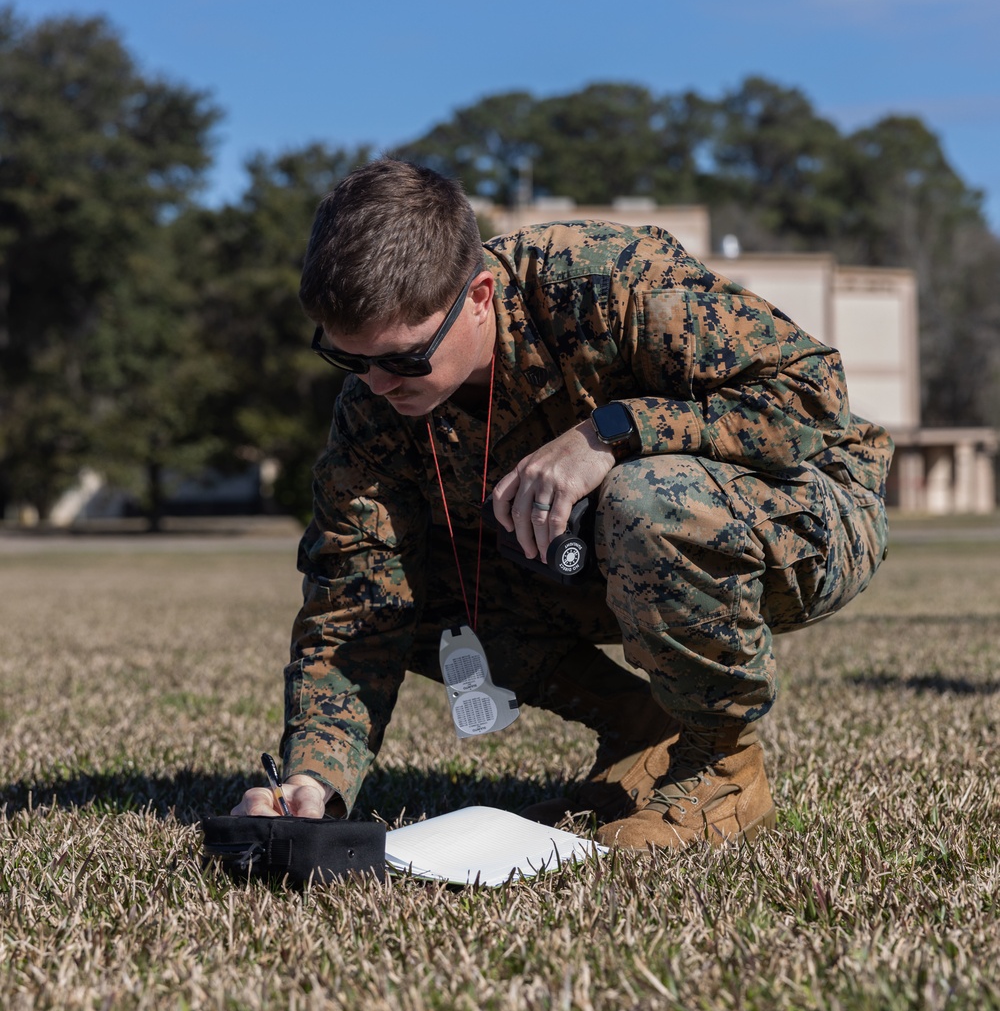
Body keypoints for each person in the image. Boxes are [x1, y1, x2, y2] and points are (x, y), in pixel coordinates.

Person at [232, 159, 891, 850]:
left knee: (646, 500)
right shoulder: (373, 412)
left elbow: (810, 395)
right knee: (408, 587)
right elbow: (354, 606)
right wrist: (313, 780)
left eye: (403, 360)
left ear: (479, 296)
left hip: (802, 519)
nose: (375, 385)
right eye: (349, 360)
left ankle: (722, 762)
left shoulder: (599, 283)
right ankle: (646, 730)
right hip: (600, 561)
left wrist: (611, 433)